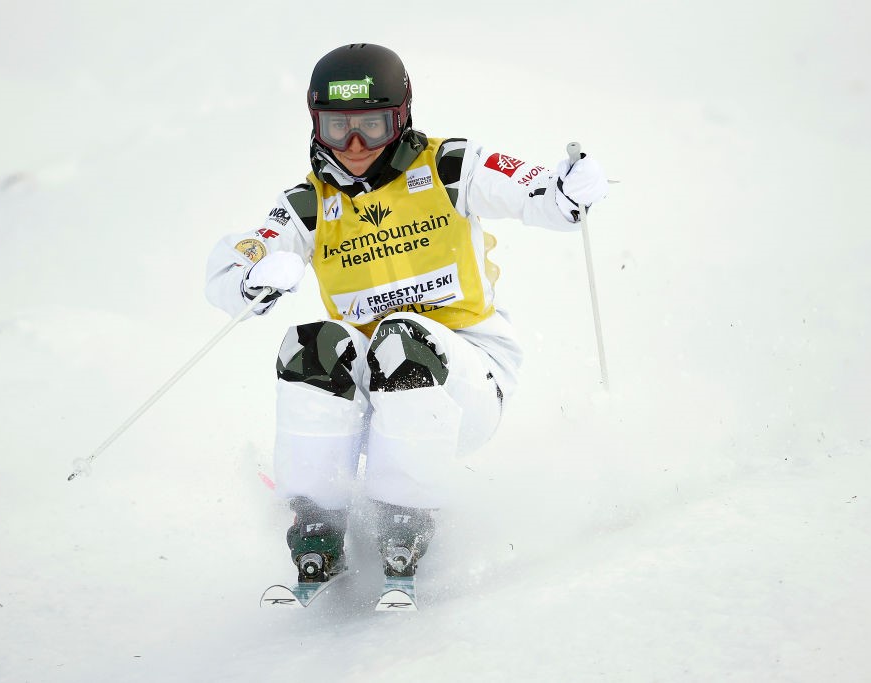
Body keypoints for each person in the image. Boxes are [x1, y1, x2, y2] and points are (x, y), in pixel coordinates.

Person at [205, 43, 608, 584]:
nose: (352, 146)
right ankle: (318, 525)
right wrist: (247, 278)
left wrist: (565, 191)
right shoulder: (311, 202)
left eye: (371, 126)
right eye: (334, 127)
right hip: (377, 397)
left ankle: (405, 521)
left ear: (400, 118)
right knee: (312, 343)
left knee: (402, 336)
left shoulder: (448, 165)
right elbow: (250, 249)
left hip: (466, 380)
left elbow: (533, 191)